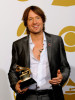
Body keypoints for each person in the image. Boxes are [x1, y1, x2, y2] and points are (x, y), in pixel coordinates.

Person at [8, 6, 70, 100]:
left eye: (37, 18)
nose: (35, 22)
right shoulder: (18, 45)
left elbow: (65, 66)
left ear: (43, 20)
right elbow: (13, 71)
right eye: (30, 19)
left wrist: (62, 77)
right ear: (26, 23)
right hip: (27, 96)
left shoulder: (56, 41)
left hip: (52, 95)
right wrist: (15, 85)